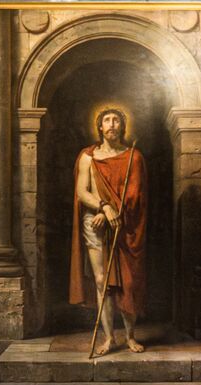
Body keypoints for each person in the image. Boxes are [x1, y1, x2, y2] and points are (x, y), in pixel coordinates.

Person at [71, 107, 148, 355]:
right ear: (100, 127)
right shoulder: (88, 157)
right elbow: (83, 192)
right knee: (102, 280)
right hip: (94, 222)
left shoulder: (133, 157)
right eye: (107, 120)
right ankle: (108, 338)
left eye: (116, 120)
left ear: (122, 126)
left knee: (128, 280)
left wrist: (111, 213)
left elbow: (135, 195)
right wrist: (103, 207)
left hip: (126, 224)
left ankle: (130, 336)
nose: (112, 124)